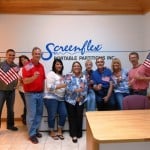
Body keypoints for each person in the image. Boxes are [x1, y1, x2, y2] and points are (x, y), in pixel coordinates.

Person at [22, 47, 45, 144]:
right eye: (36, 53)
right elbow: (25, 81)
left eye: (39, 53)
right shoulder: (28, 66)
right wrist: (34, 77)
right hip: (30, 94)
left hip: (40, 93)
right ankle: (31, 134)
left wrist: (43, 91)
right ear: (32, 54)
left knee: (39, 114)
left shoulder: (41, 66)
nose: (37, 55)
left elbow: (43, 79)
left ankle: (35, 131)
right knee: (31, 115)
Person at [65, 61, 88, 143]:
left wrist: (81, 96)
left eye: (78, 66)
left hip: (81, 100)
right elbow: (67, 88)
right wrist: (75, 92)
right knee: (72, 117)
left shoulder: (84, 77)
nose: (76, 67)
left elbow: (85, 88)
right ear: (72, 67)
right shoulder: (68, 76)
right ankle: (73, 134)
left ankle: (79, 133)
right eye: (75, 66)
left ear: (80, 68)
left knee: (79, 116)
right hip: (70, 100)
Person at [44, 58, 67, 140]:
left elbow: (64, 87)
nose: (59, 65)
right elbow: (49, 87)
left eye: (60, 64)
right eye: (57, 64)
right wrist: (62, 86)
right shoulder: (51, 74)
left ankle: (60, 130)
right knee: (52, 115)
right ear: (54, 65)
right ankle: (51, 131)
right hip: (51, 97)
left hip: (61, 98)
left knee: (63, 114)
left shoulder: (62, 75)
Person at [0, 49, 19, 131]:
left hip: (11, 91)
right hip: (1, 91)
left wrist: (16, 85)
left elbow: (18, 77)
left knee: (10, 109)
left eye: (13, 55)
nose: (11, 56)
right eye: (10, 55)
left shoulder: (16, 66)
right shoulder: (1, 64)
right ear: (6, 55)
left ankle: (10, 125)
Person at [18, 55, 30, 125]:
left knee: (28, 105)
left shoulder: (31, 66)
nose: (24, 61)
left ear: (28, 59)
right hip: (23, 90)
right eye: (22, 60)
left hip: (30, 90)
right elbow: (21, 81)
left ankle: (24, 116)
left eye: (25, 59)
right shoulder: (21, 69)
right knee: (27, 105)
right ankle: (24, 118)